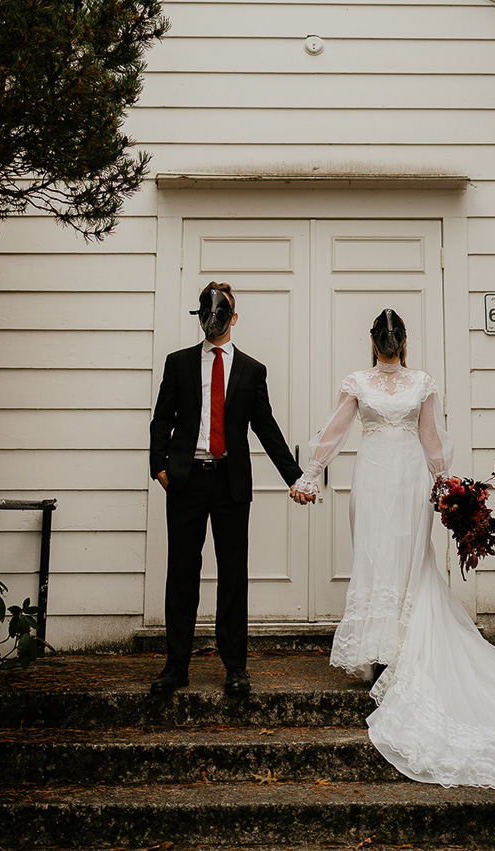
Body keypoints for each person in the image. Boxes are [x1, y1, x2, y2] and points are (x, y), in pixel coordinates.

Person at [291, 308, 495, 789]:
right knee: (374, 555)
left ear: (400, 341)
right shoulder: (356, 381)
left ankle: (402, 649)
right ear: (374, 339)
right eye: (384, 335)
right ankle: (380, 646)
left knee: (409, 556)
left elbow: (431, 438)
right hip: (373, 476)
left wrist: (448, 489)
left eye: (394, 336)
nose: (390, 341)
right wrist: (310, 473)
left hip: (409, 479)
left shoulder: (422, 381)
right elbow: (335, 430)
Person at [149, 280, 311, 696]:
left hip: (231, 483)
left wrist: (295, 477)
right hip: (186, 480)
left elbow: (266, 428)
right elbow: (161, 419)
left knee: (233, 575)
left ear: (234, 318)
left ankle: (234, 667)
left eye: (221, 314)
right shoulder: (179, 363)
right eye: (206, 313)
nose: (213, 321)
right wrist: (159, 469)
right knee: (181, 574)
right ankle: (176, 665)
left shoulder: (252, 370)